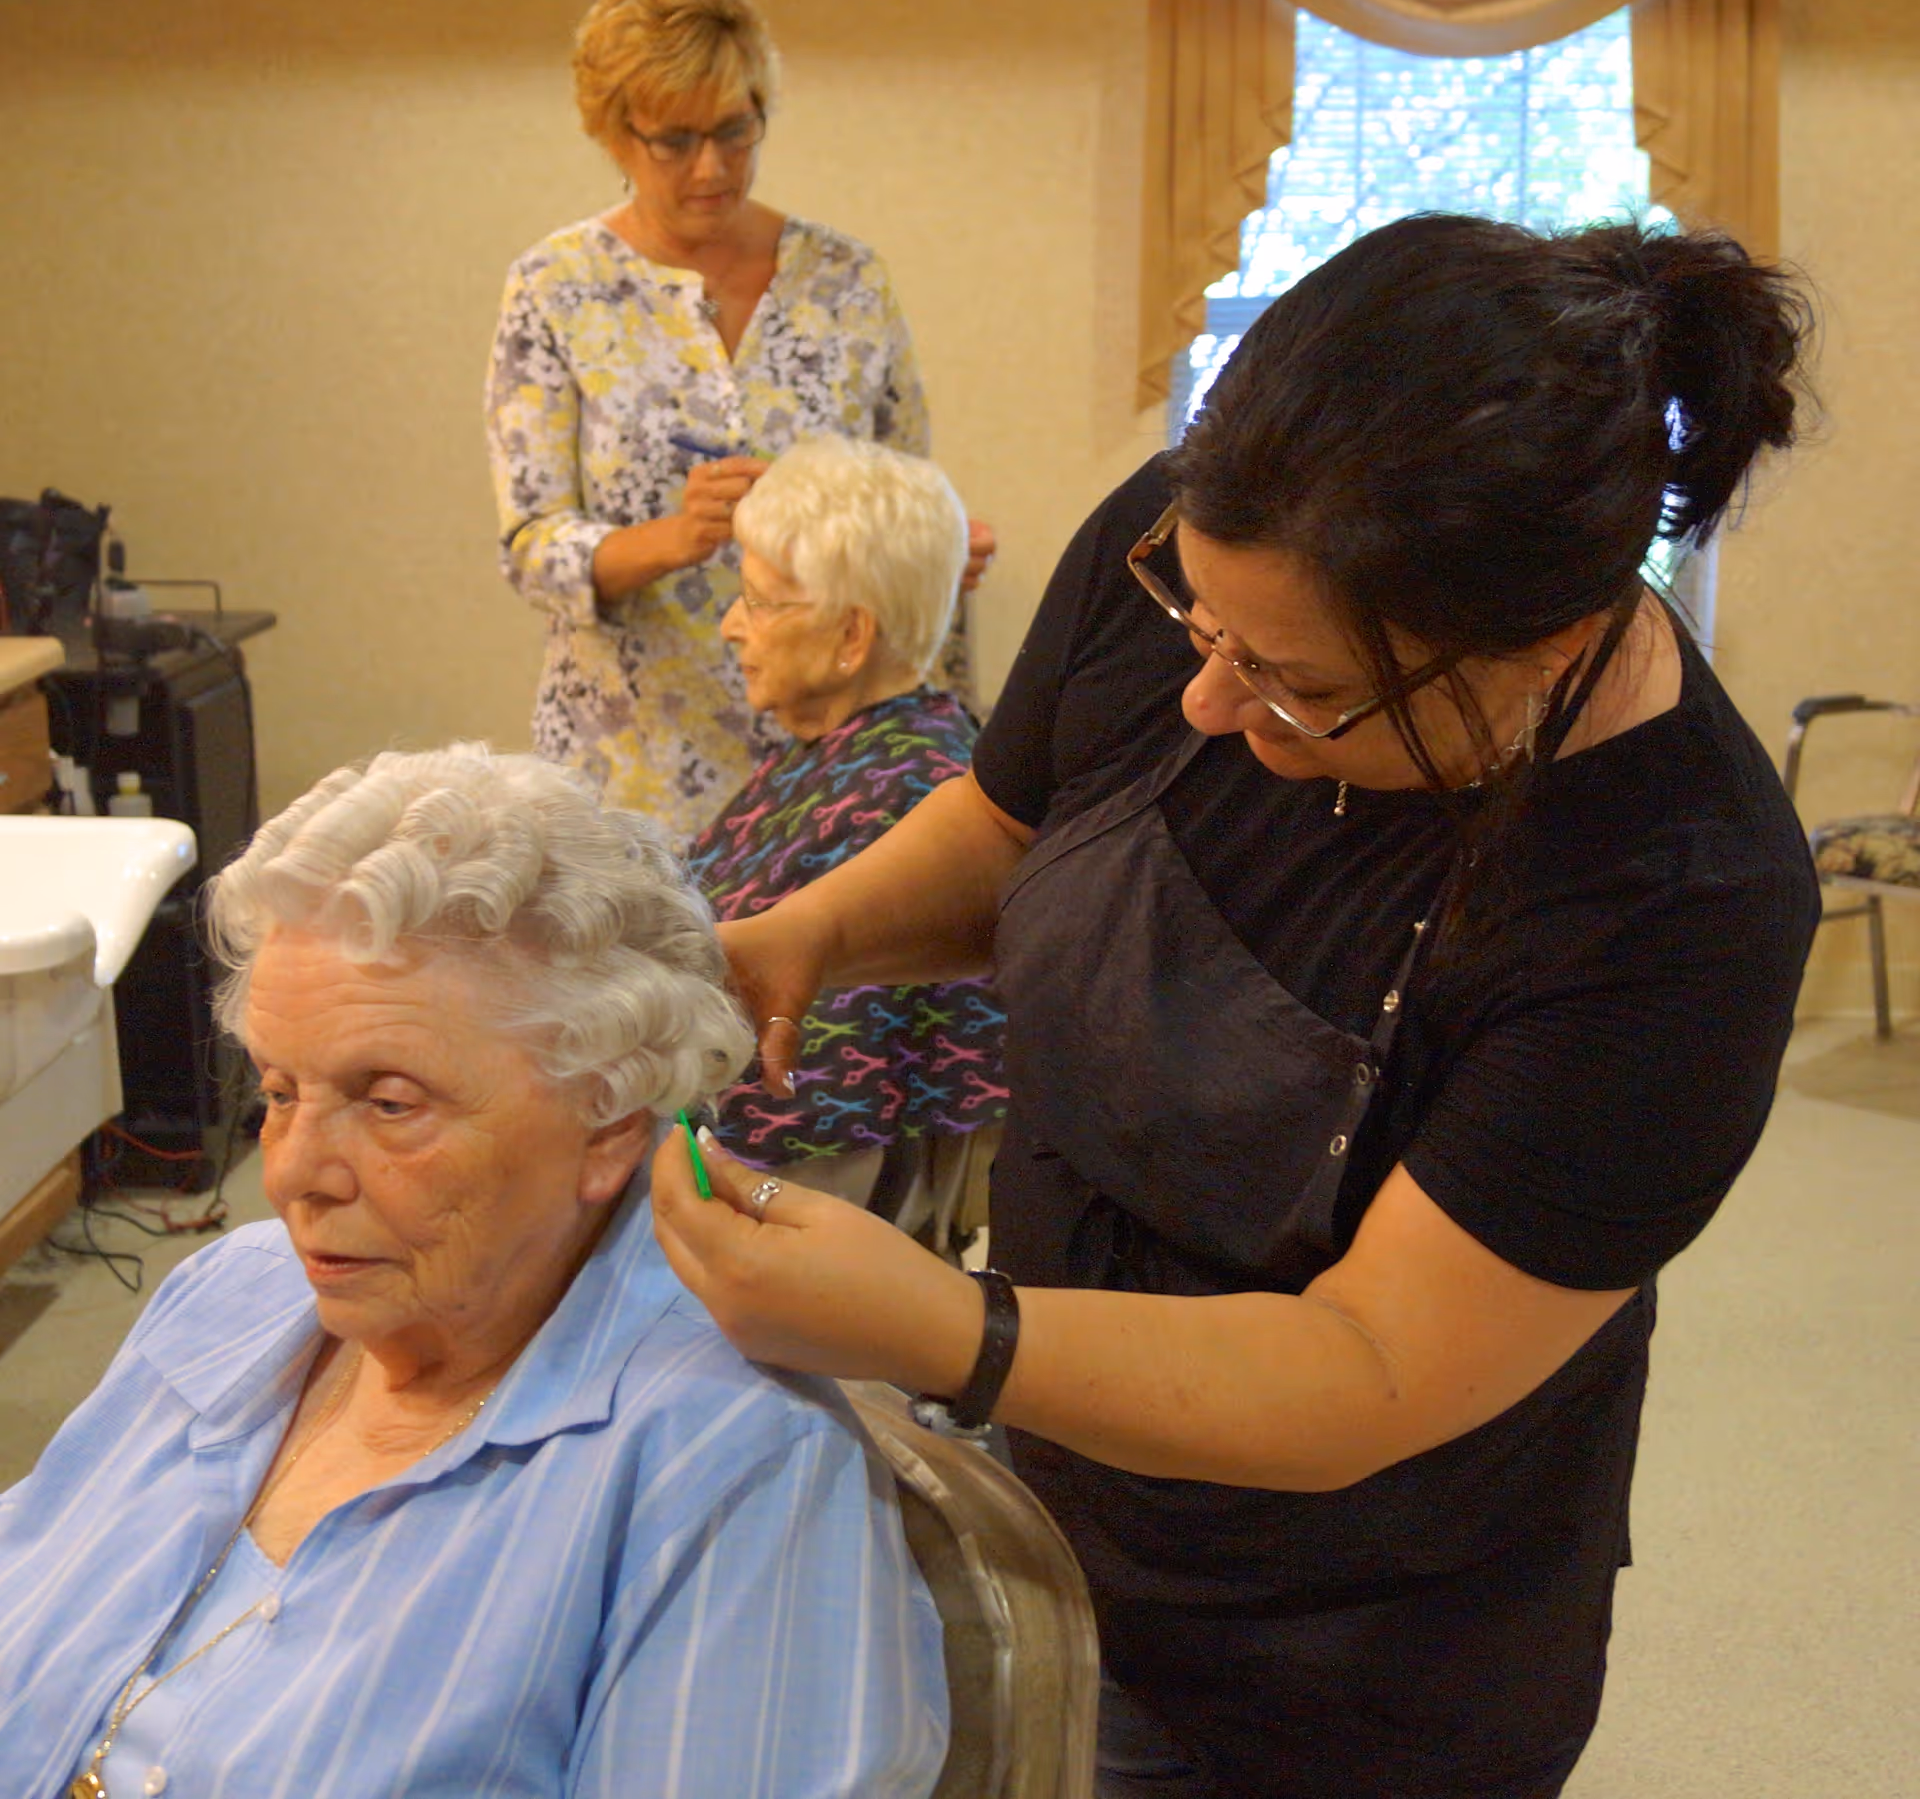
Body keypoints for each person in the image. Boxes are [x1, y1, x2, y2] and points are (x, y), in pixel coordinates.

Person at [650, 216, 1823, 1799]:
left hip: (1344, 1644)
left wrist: (944, 1325)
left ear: (1546, 647)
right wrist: (806, 936)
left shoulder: (1678, 899)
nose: (1208, 698)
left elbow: (1369, 1366)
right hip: (1054, 1473)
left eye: (1300, 686)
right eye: (1198, 626)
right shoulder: (1218, 543)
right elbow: (1012, 828)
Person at [0, 746, 946, 1798]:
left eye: (390, 1102)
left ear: (609, 1120)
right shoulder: (226, 1295)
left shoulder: (725, 1463)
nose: (294, 1175)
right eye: (278, 1090)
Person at [487, 0, 992, 845]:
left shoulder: (847, 280)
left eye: (736, 130)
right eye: (674, 140)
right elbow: (532, 547)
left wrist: (932, 554)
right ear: (613, 133)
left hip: (836, 759)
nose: (713, 167)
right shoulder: (554, 287)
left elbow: (903, 486)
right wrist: (669, 541)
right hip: (631, 759)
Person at [687, 435, 1007, 1213]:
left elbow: (811, 1148)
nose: (732, 626)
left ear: (850, 636)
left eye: (758, 601)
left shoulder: (907, 797)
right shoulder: (837, 755)